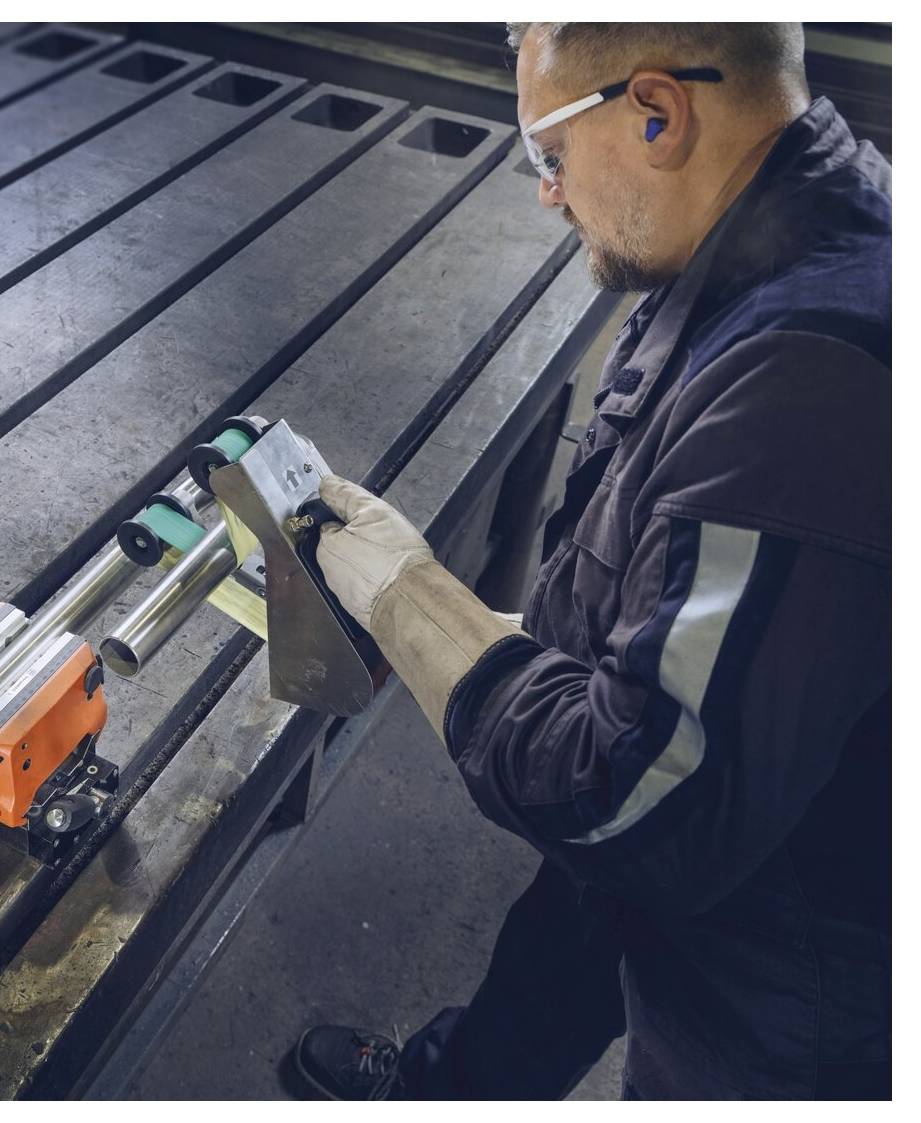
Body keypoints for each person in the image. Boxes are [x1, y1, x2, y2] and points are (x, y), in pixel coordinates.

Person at [290, 22, 890, 1100]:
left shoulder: (812, 379)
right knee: (549, 961)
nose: (547, 195)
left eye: (548, 157)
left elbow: (638, 803)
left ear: (656, 112)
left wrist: (409, 601)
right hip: (694, 846)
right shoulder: (762, 231)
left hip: (778, 993)